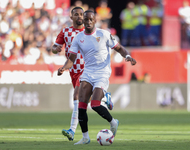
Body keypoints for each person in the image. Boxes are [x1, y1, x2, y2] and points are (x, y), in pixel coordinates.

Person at [57, 10, 136, 145]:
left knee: (94, 104)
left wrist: (127, 56)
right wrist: (64, 68)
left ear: (95, 20)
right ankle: (85, 137)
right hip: (87, 72)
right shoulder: (78, 38)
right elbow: (71, 58)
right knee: (81, 105)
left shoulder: (103, 34)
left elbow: (119, 48)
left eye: (90, 20)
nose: (88, 22)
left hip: (102, 72)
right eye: (86, 19)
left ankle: (113, 122)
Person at [51, 7, 113, 142]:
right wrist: (56, 49)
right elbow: (55, 48)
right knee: (85, 101)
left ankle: (72, 130)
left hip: (86, 69)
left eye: (81, 15)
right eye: (76, 15)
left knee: (77, 97)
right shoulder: (65, 32)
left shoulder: (89, 32)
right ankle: (104, 98)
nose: (80, 17)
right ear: (71, 17)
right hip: (73, 70)